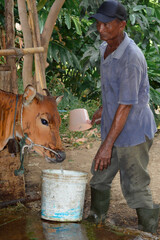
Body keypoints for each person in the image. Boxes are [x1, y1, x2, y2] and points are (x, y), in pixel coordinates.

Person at [87, 0, 160, 234]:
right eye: (99, 23)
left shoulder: (131, 58)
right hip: (114, 127)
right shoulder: (105, 48)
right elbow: (113, 90)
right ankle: (96, 218)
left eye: (107, 24)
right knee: (99, 175)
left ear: (122, 25)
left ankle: (147, 230)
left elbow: (126, 106)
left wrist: (107, 146)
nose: (101, 28)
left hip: (133, 133)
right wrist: (101, 109)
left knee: (135, 185)